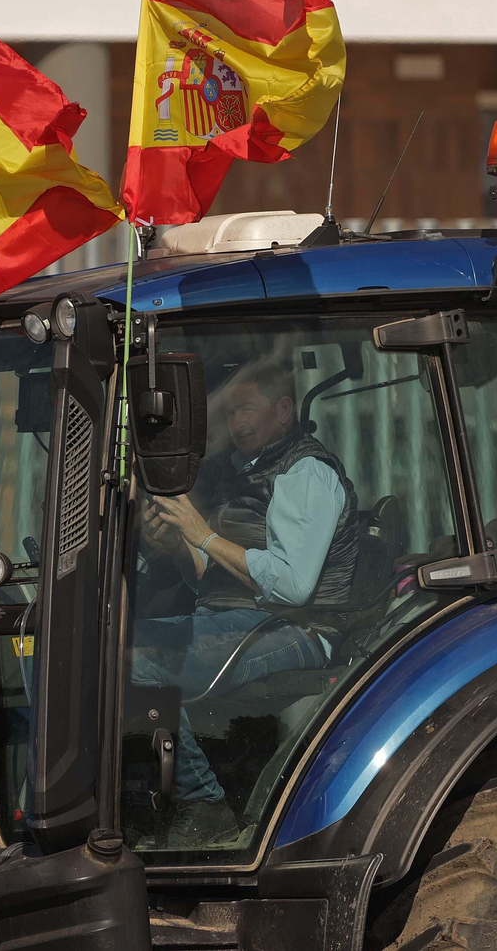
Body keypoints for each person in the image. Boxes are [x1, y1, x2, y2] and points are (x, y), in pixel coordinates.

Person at [134, 359, 358, 847]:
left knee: (133, 662)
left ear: (282, 411)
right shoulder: (241, 475)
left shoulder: (306, 472)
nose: (236, 423)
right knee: (109, 645)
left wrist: (205, 535)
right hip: (235, 618)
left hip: (295, 630)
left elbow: (294, 586)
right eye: (231, 413)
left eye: (247, 410)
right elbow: (209, 580)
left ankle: (204, 804)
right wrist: (176, 542)